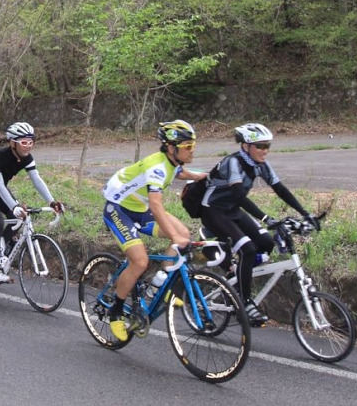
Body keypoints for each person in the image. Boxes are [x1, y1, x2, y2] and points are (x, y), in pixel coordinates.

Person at [200, 123, 320, 327]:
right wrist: (266, 218)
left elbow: (280, 189)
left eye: (268, 146)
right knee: (247, 249)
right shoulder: (233, 163)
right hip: (213, 211)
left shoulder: (260, 164)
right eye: (261, 146)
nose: (265, 150)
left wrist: (305, 214)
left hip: (232, 209)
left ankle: (234, 274)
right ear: (246, 146)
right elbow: (238, 195)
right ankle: (245, 303)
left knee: (266, 243)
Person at [102, 120, 207, 341]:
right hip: (118, 209)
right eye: (187, 146)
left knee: (184, 236)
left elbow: (178, 173)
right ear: (171, 147)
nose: (192, 150)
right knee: (139, 261)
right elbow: (157, 205)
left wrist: (198, 176)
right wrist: (174, 236)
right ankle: (116, 311)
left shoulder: (171, 162)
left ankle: (161, 285)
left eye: (193, 145)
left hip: (139, 209)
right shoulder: (157, 166)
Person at [0, 122, 64, 283]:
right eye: (24, 143)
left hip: (0, 189)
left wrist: (51, 202)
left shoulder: (27, 158)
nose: (28, 147)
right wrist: (13, 206)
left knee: (20, 217)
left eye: (31, 142)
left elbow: (37, 180)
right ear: (12, 142)